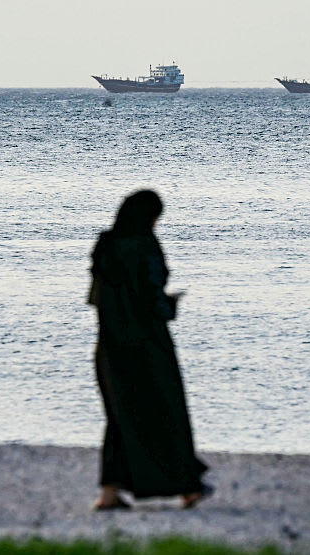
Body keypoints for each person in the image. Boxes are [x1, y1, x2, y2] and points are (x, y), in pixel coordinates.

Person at [88, 190, 210, 510]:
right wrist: (171, 304)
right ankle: (187, 487)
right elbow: (152, 300)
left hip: (110, 346)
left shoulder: (106, 246)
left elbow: (97, 297)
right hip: (148, 345)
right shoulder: (145, 246)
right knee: (165, 412)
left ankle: (109, 493)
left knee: (119, 418)